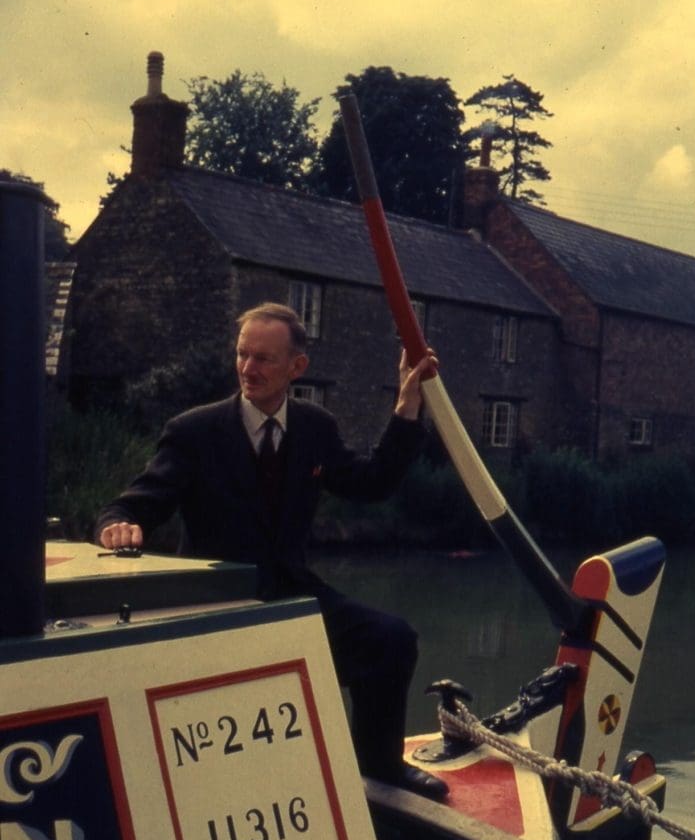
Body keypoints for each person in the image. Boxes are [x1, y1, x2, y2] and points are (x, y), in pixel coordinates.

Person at [96, 303, 448, 800]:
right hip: (216, 601)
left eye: (263, 358)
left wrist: (407, 406)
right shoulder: (194, 431)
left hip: (289, 590)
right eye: (242, 354)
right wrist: (119, 525)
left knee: (390, 639)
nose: (248, 368)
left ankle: (379, 768)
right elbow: (133, 504)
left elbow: (372, 483)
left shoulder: (315, 427)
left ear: (296, 368)